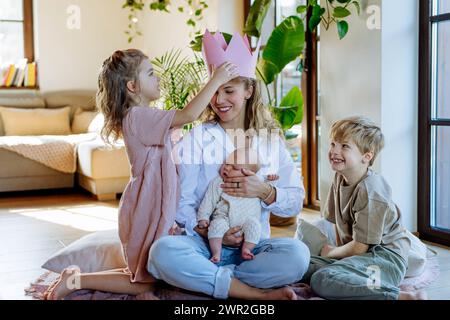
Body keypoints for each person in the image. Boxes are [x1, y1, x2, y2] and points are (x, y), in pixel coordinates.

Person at [44, 49, 238, 300]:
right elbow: (189, 115)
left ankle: (77, 278)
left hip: (155, 203)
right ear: (133, 86)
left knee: (151, 274)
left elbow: (184, 122)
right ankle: (76, 280)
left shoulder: (144, 117)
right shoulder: (138, 116)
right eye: (150, 73)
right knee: (143, 280)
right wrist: (217, 80)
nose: (157, 78)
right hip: (148, 205)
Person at [147, 31, 310, 300]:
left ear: (249, 90)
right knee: (162, 252)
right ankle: (244, 290)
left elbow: (295, 201)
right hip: (203, 244)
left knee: (298, 256)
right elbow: (182, 203)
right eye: (215, 90)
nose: (219, 100)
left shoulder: (269, 140)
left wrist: (265, 192)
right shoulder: (197, 138)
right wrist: (211, 232)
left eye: (229, 90)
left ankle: (208, 280)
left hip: (252, 248)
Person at [304, 116, 427, 300]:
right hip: (358, 257)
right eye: (333, 144)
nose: (334, 151)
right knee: (303, 265)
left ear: (366, 156)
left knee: (322, 279)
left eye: (344, 146)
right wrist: (337, 255)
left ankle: (402, 296)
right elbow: (337, 224)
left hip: (384, 260)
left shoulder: (371, 191)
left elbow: (359, 248)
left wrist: (332, 253)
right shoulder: (340, 178)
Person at [197, 147, 279, 263]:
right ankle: (216, 253)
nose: (227, 168)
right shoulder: (218, 182)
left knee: (255, 226)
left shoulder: (256, 181)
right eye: (226, 163)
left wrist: (272, 180)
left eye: (234, 167)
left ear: (249, 173)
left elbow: (268, 187)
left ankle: (246, 249)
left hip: (247, 220)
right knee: (216, 225)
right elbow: (209, 200)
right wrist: (203, 217)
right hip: (224, 218)